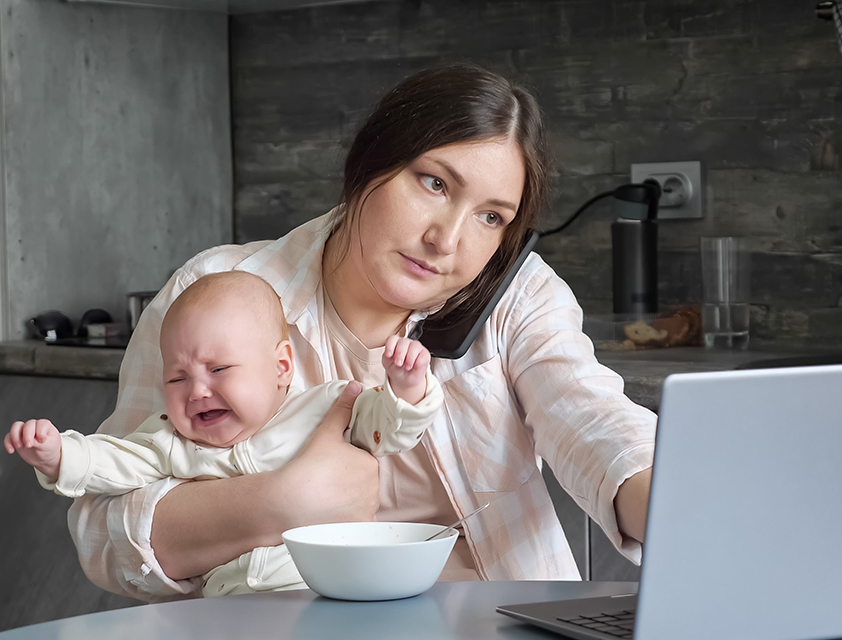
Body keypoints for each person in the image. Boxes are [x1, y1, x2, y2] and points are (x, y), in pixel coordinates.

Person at [67, 62, 658, 600]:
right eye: (434, 183)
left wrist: (669, 502)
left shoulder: (519, 294)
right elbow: (103, 533)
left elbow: (592, 419)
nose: (447, 240)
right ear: (371, 161)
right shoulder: (215, 291)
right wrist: (278, 504)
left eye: (491, 217)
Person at [6, 271, 441, 596]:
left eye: (219, 370)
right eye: (176, 378)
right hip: (231, 609)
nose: (197, 391)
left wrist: (407, 389)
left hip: (338, 593)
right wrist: (59, 454)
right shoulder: (171, 441)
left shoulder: (326, 407)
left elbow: (390, 428)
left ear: (281, 368)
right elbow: (114, 459)